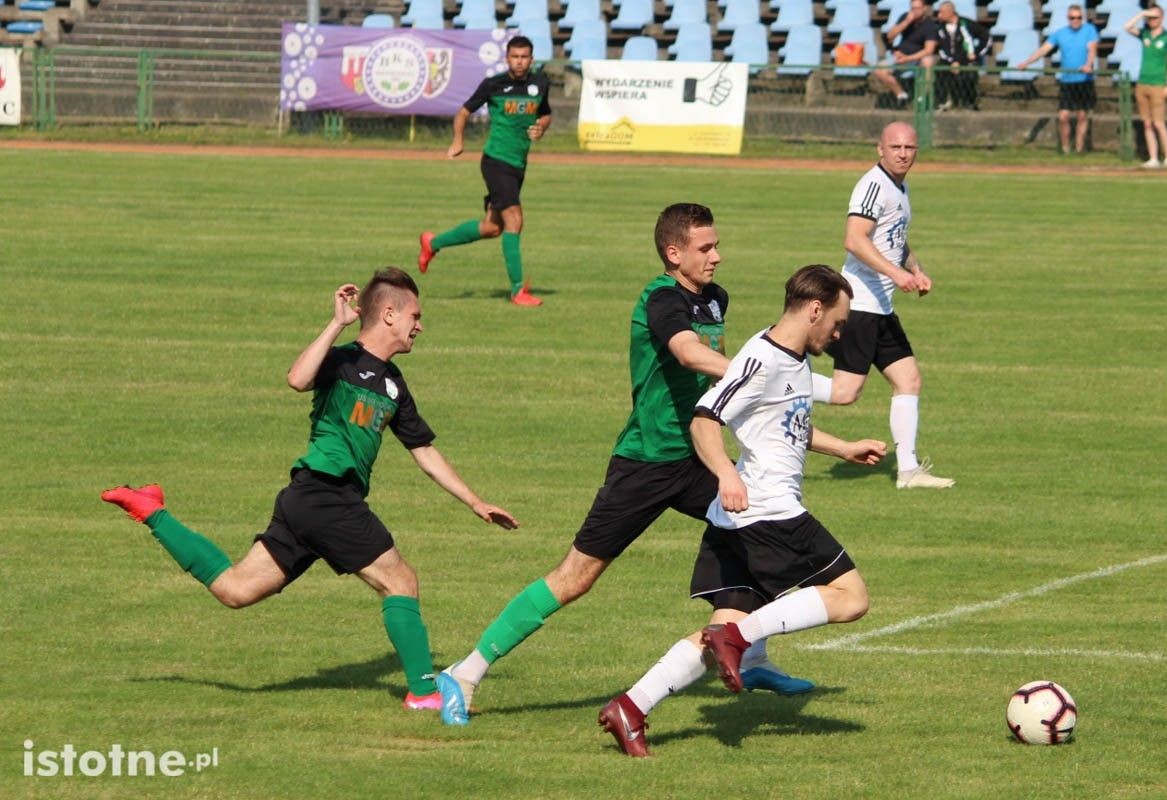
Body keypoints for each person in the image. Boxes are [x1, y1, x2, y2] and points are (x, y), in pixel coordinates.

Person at [434, 203, 811, 727]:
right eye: (706, 248)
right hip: (646, 464)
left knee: (759, 531)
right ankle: (466, 672)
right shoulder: (660, 300)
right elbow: (688, 354)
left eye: (717, 245)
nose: (717, 257)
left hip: (699, 456)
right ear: (673, 253)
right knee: (575, 577)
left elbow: (715, 385)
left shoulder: (716, 299)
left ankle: (754, 657)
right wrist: (759, 372)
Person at [101, 269, 519, 716]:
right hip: (326, 494)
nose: (420, 325)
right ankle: (423, 691)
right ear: (390, 313)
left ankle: (150, 510)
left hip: (307, 501)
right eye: (415, 315)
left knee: (234, 589)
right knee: (401, 581)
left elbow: (423, 450)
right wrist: (337, 323)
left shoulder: (395, 385)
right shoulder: (340, 361)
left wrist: (474, 500)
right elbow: (298, 379)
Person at [598, 265, 887, 758]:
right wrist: (727, 475)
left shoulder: (792, 358)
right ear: (814, 310)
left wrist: (843, 449)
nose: (838, 333)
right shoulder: (761, 359)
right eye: (836, 322)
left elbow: (785, 423)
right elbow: (705, 419)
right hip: (767, 513)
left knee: (718, 637)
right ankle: (738, 637)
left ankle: (631, 705)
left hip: (737, 521)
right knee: (850, 597)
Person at [810, 122, 954, 490]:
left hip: (881, 306)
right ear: (880, 149)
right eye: (896, 147)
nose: (903, 153)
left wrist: (915, 270)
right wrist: (896, 273)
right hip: (859, 304)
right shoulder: (873, 185)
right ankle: (775, 378)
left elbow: (894, 239)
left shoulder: (899, 188)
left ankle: (907, 472)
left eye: (910, 147)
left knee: (909, 379)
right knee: (845, 393)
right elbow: (854, 239)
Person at [417, 36, 551, 307]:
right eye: (515, 56)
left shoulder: (540, 83)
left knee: (492, 227)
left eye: (524, 56)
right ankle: (517, 291)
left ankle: (433, 243)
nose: (520, 61)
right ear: (507, 58)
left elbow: (545, 113)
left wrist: (542, 127)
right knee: (515, 219)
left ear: (531, 59)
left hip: (518, 165)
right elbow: (464, 112)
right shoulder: (495, 84)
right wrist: (458, 141)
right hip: (496, 162)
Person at [1015, 5, 1099, 154]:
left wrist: (1088, 64)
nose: (1076, 20)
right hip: (1067, 81)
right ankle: (1066, 149)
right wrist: (1027, 62)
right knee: (1063, 117)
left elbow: (1092, 49)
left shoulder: (1089, 30)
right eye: (1072, 18)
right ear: (1068, 18)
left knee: (1082, 115)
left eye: (1079, 17)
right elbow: (1044, 49)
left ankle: (1079, 149)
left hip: (1084, 80)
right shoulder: (1060, 33)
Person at [1124, 7, 1167, 168]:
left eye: (1155, 17)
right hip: (1143, 83)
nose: (1152, 20)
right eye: (1150, 18)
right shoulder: (1145, 34)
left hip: (1158, 84)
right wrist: (1142, 14)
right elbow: (1127, 27)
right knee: (1147, 123)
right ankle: (1153, 158)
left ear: (1162, 18)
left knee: (1158, 123)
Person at [873, 0, 939, 107]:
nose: (914, 11)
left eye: (917, 8)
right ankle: (901, 95)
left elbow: (929, 50)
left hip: (917, 58)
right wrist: (906, 22)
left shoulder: (930, 25)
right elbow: (890, 36)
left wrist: (908, 58)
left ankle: (921, 98)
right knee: (879, 70)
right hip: (900, 56)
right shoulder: (905, 17)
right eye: (912, 8)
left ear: (924, 8)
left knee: (928, 61)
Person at [934, 1, 992, 111]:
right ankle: (943, 102)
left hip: (966, 60)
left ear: (950, 12)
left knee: (969, 73)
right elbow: (941, 49)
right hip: (948, 61)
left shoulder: (966, 24)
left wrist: (976, 53)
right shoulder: (940, 29)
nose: (938, 16)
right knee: (939, 69)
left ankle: (969, 102)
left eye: (941, 12)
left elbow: (986, 37)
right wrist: (952, 61)